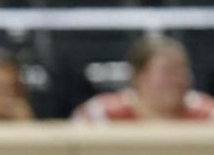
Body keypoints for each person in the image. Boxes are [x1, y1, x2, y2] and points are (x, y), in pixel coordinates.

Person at [71, 35, 214, 122]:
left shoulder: (207, 115)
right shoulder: (100, 115)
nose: (178, 79)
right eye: (168, 71)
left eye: (183, 69)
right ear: (138, 75)